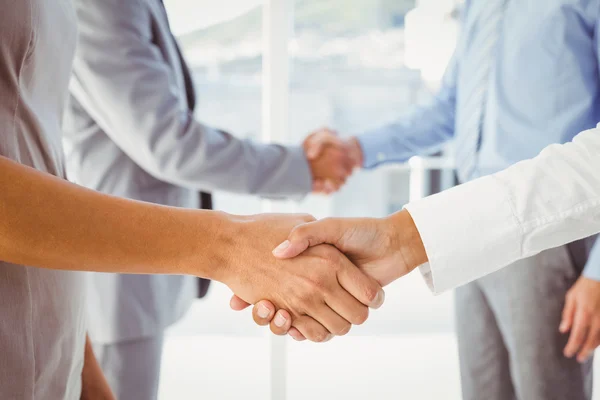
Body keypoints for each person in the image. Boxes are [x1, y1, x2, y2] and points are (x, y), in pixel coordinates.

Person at [0, 1, 384, 398]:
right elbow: (169, 143)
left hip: (62, 312)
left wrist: (87, 374)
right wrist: (228, 245)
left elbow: (33, 144)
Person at [238, 2, 600, 399]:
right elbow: (449, 108)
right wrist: (356, 150)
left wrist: (598, 273)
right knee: (483, 387)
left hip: (549, 234)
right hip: (465, 226)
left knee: (546, 389)